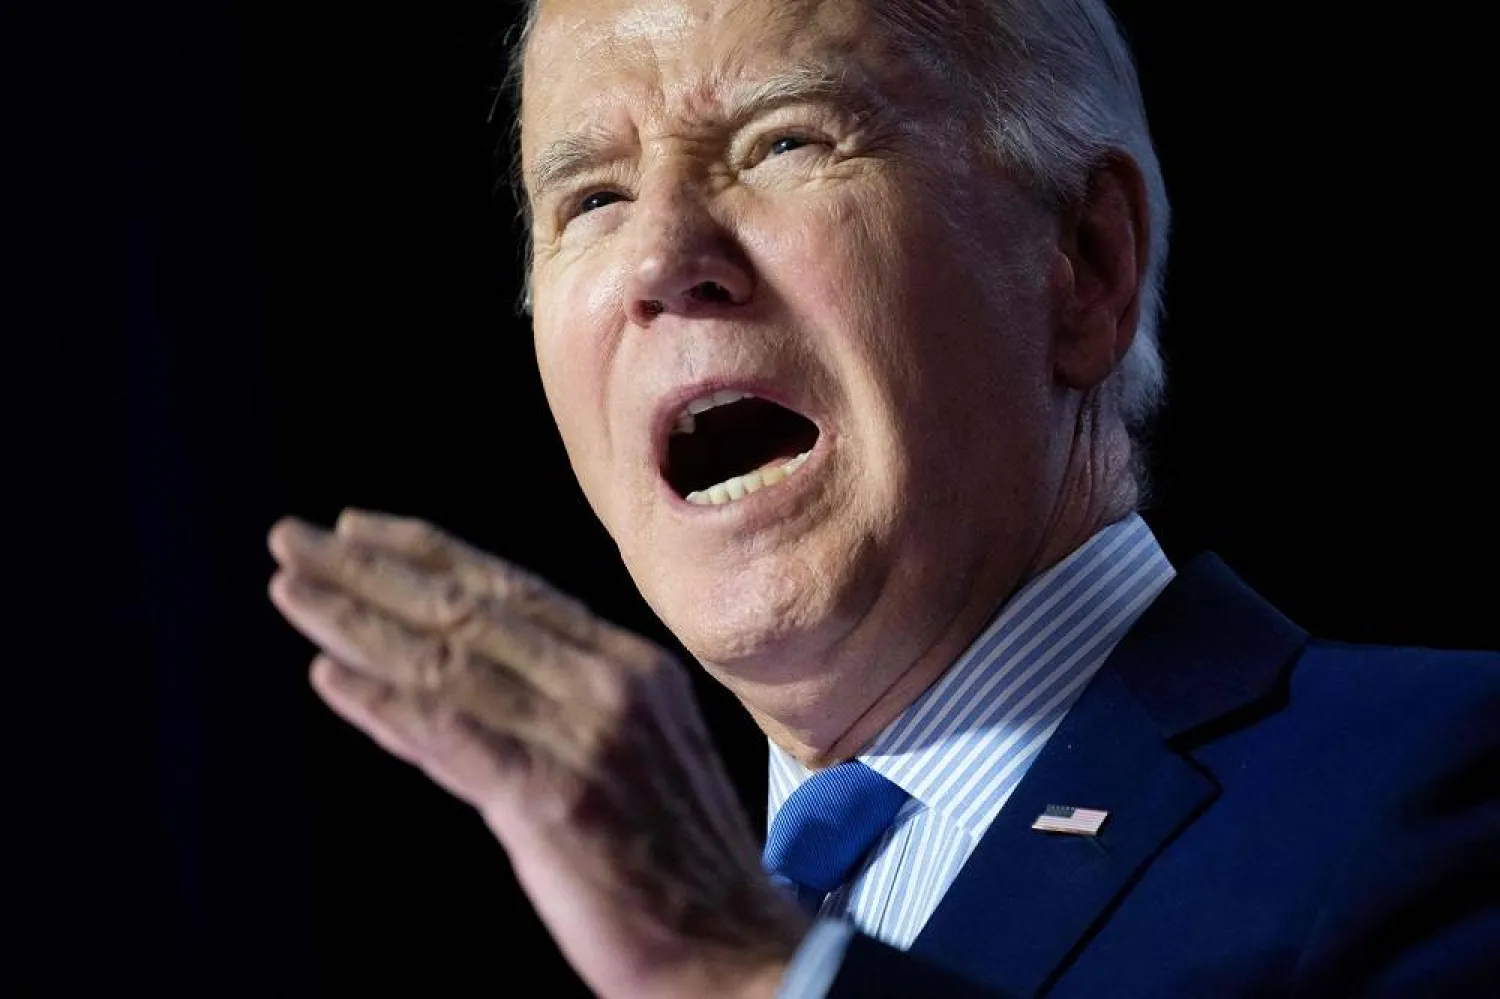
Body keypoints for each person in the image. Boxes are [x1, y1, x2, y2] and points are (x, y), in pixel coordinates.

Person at [265, 0, 1500, 995]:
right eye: (590, 201)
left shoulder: (1435, 785)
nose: (658, 261)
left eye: (783, 142)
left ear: (1084, 266)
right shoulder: (596, 924)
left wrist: (751, 970)